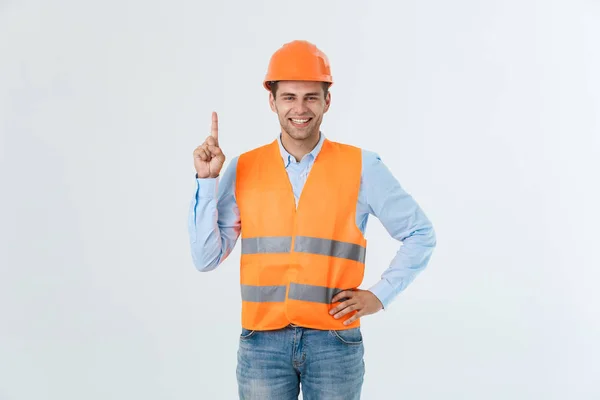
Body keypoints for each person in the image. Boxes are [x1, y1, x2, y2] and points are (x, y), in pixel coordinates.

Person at [188, 40, 437, 400]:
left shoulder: (363, 167)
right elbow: (205, 257)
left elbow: (420, 233)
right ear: (272, 101)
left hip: (334, 342)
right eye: (289, 96)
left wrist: (379, 296)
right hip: (262, 344)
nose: (300, 108)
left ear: (327, 101)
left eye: (310, 96)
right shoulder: (243, 168)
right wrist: (207, 181)